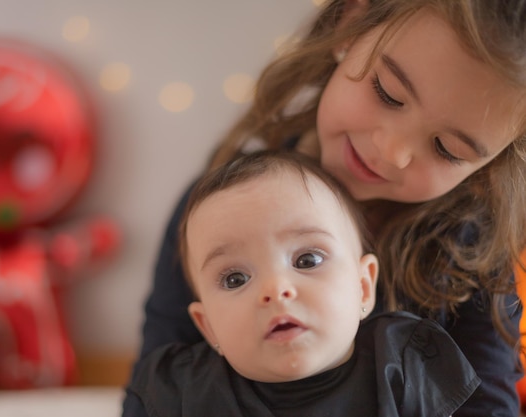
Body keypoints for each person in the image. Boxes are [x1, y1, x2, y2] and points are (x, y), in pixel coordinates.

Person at [128, 1, 526, 416]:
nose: (391, 153)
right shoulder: (213, 217)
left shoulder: (473, 254)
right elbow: (150, 393)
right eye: (387, 93)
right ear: (350, 27)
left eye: (448, 149)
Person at [123, 150, 481, 417]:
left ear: (363, 287)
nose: (276, 289)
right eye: (235, 279)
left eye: (307, 260)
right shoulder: (184, 392)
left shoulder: (402, 368)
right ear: (207, 326)